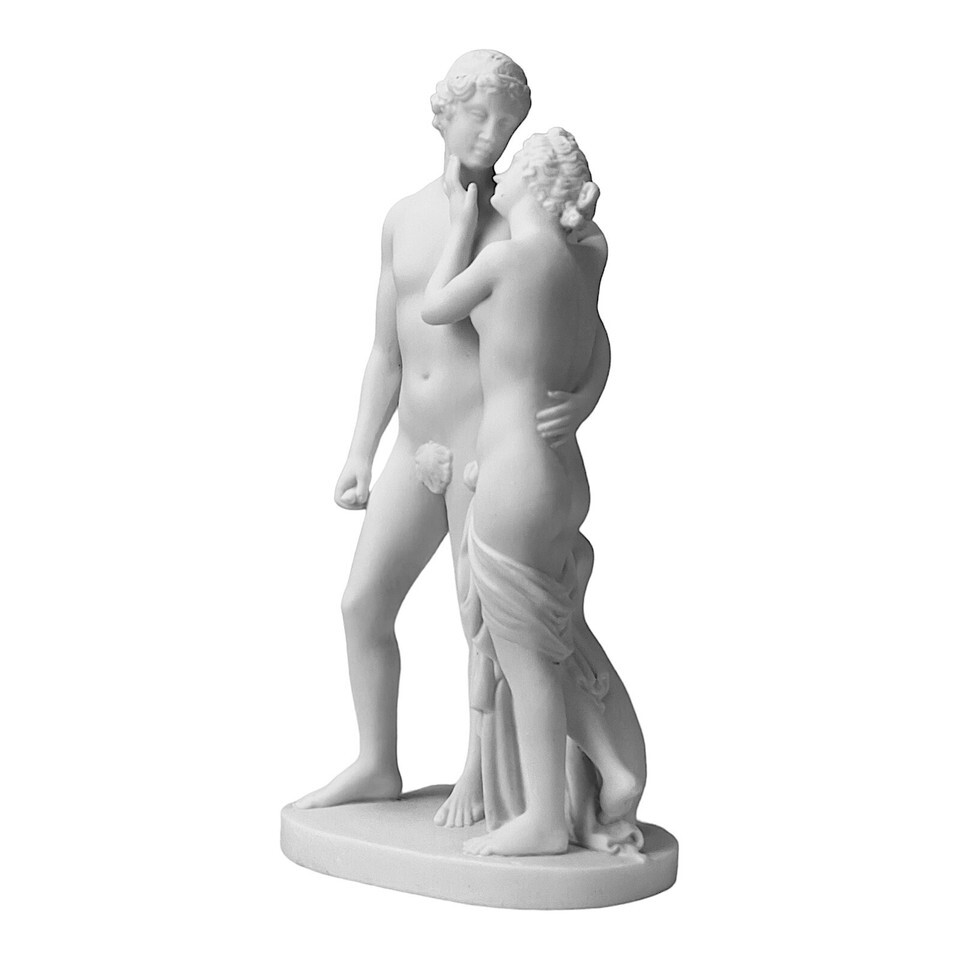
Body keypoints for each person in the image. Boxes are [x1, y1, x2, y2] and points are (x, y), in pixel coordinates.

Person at [295, 54, 611, 824]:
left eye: (508, 121)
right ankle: (376, 761)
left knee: (489, 629)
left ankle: (491, 781)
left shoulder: (522, 220)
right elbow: (386, 349)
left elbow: (590, 326)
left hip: (487, 450)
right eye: (479, 113)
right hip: (415, 445)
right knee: (362, 603)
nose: (492, 132)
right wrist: (360, 450)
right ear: (443, 112)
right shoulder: (403, 218)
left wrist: (583, 400)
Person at [422, 129, 646, 857]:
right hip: (563, 471)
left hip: (514, 476)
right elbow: (601, 340)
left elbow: (435, 306)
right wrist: (585, 397)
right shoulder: (584, 261)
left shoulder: (507, 259)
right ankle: (613, 765)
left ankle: (544, 819)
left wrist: (461, 225)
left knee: (524, 659)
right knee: (555, 636)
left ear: (538, 184)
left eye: (518, 163)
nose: (506, 168)